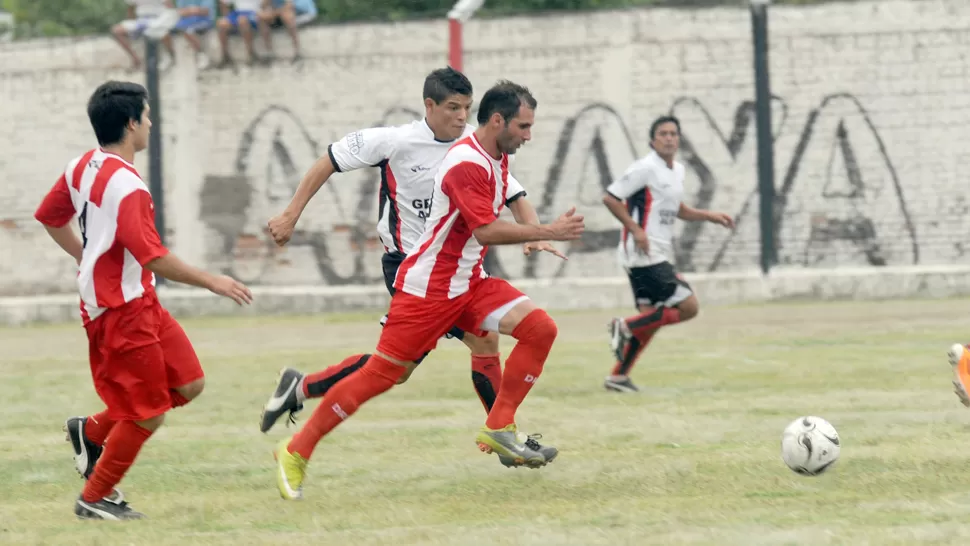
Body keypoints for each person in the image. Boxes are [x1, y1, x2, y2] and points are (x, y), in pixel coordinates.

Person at [270, 80, 585, 500]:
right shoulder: (462, 163)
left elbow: (510, 199)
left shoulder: (494, 153)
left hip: (468, 282)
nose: (529, 135)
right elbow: (486, 231)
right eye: (523, 127)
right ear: (498, 121)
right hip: (429, 289)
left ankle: (499, 426)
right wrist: (547, 230)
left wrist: (533, 231)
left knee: (540, 329)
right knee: (381, 376)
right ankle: (295, 449)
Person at [34, 81, 252, 520]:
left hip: (141, 301)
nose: (150, 124)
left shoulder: (81, 166)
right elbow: (152, 256)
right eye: (147, 117)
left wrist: (86, 256)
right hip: (118, 312)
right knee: (148, 414)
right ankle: (94, 498)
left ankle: (91, 431)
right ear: (132, 124)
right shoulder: (130, 188)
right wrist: (213, 281)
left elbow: (49, 217)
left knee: (188, 384)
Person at [601, 115, 734, 393]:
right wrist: (636, 230)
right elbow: (611, 197)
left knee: (649, 319)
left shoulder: (678, 171)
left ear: (679, 139)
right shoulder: (644, 168)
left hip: (656, 252)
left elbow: (677, 209)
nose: (669, 138)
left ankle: (618, 377)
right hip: (644, 253)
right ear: (653, 140)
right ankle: (623, 326)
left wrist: (708, 215)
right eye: (663, 133)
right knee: (689, 306)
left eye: (673, 133)